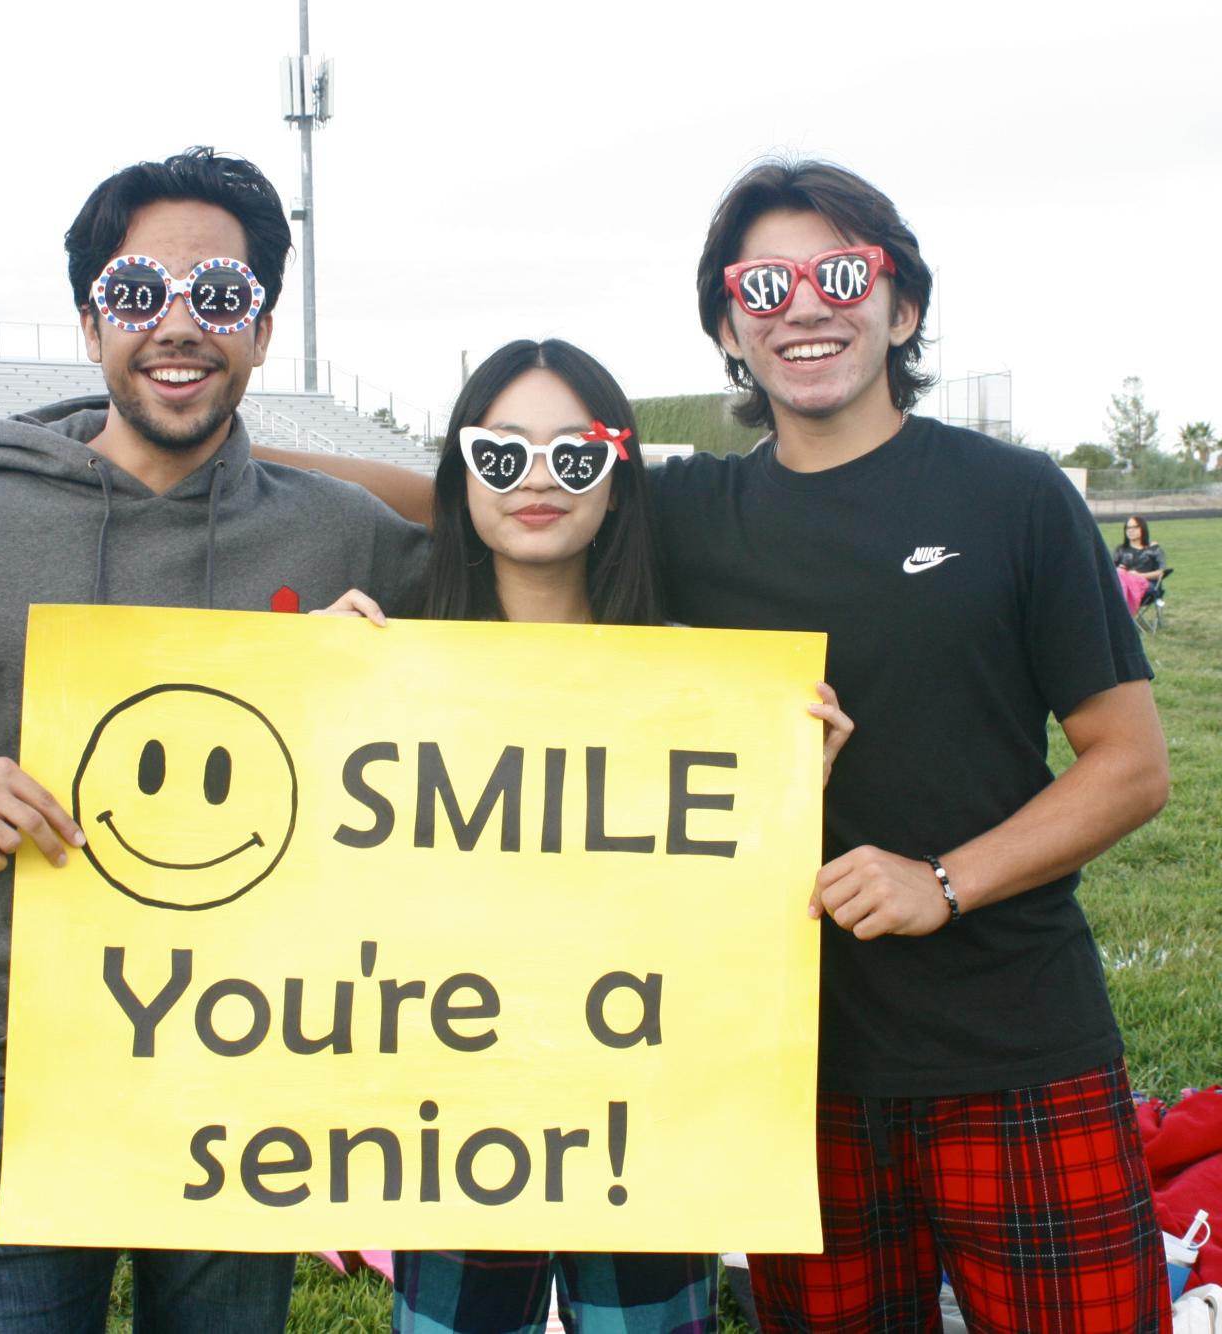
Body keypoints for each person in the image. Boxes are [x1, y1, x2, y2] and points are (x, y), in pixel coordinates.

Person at [265, 158, 1173, 1334]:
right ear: (728, 328)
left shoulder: (1013, 495)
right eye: (765, 282)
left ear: (901, 308)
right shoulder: (684, 510)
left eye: (841, 272)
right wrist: (223, 454)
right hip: (785, 1062)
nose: (805, 303)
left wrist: (942, 882)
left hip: (1011, 1039)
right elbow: (481, 491)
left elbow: (1130, 763)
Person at [0, 146, 428, 1333]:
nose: (179, 324)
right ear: (88, 322)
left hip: (246, 1065)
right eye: (137, 294)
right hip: (18, 1071)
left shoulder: (344, 540)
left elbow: (541, 596)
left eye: (221, 296)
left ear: (264, 333)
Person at [321, 338, 853, 1334]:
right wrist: (304, 693)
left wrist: (787, 786)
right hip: (454, 1114)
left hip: (643, 1105)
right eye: (499, 452)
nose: (535, 480)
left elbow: (731, 926)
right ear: (460, 477)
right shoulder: (381, 664)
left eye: (575, 454)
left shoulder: (705, 680)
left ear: (617, 479)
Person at [1112, 514, 1166, 617]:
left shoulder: (1153, 550)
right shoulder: (1120, 549)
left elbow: (1161, 572)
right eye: (1128, 528)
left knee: (1121, 577)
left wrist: (1138, 576)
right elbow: (1111, 570)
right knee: (1119, 575)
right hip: (1122, 584)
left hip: (1147, 587)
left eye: (1135, 527)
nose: (1130, 530)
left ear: (1143, 528)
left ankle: (1122, 615)